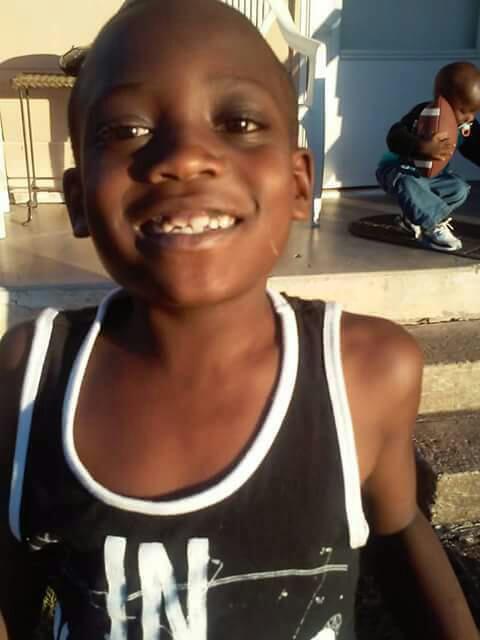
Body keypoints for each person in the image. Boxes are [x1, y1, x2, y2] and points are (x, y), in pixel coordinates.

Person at [0, 1, 477, 638]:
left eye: (239, 122)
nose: (185, 156)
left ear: (299, 184)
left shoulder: (366, 372)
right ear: (79, 199)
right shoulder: (31, 379)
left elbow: (399, 530)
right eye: (127, 129)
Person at [376, 61, 480, 252]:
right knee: (408, 183)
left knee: (459, 189)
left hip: (432, 178)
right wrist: (420, 146)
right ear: (443, 99)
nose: (470, 117)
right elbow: (395, 135)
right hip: (398, 171)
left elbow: (476, 149)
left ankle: (412, 218)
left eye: (474, 112)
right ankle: (431, 227)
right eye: (464, 111)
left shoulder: (466, 126)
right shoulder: (424, 114)